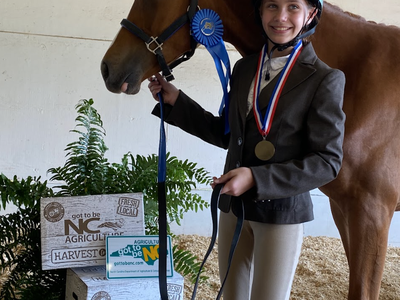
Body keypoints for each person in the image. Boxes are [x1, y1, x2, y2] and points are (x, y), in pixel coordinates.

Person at [148, 0, 345, 299]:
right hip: (233, 208)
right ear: (260, 11)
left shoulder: (324, 79)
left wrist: (256, 178)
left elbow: (327, 162)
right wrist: (176, 101)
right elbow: (228, 135)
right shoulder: (243, 68)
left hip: (281, 213)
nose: (281, 17)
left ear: (311, 14)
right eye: (272, 6)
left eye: (293, 6)